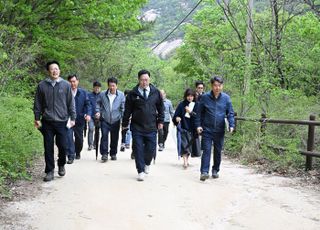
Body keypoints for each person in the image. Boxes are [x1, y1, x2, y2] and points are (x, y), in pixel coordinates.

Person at [34, 61, 76, 182]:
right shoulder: (42, 85)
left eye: (57, 69)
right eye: (52, 69)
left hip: (62, 121)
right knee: (48, 147)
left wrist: (73, 118)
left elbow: (71, 103)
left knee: (63, 146)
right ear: (48, 71)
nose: (55, 71)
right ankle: (49, 171)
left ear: (59, 71)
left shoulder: (66, 85)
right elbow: (37, 103)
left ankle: (61, 164)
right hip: (47, 121)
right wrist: (37, 118)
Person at [122, 69, 164, 181]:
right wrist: (125, 123)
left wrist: (160, 121)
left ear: (149, 79)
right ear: (138, 80)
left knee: (150, 149)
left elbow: (161, 108)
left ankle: (147, 163)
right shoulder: (132, 94)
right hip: (137, 127)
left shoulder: (156, 92)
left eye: (146, 80)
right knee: (138, 149)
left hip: (151, 126)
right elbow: (127, 110)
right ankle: (140, 171)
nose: (144, 82)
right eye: (142, 80)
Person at [195, 76, 235, 181]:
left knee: (217, 151)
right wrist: (198, 125)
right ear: (212, 86)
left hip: (220, 130)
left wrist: (231, 125)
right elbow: (199, 113)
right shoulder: (205, 97)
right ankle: (204, 172)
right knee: (207, 150)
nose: (217, 88)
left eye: (219, 85)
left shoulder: (226, 98)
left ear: (222, 86)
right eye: (215, 85)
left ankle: (215, 170)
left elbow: (230, 113)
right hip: (207, 129)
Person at [96, 77, 125, 162]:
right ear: (107, 85)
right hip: (105, 119)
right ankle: (104, 154)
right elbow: (98, 104)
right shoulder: (102, 94)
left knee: (114, 137)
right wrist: (98, 112)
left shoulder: (121, 95)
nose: (112, 87)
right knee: (104, 136)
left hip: (116, 120)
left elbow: (123, 108)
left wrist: (123, 119)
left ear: (116, 86)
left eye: (113, 86)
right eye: (110, 86)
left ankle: (113, 153)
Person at [66, 74, 92, 164]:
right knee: (68, 137)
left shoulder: (83, 93)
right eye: (70, 82)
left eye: (74, 81)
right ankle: (70, 155)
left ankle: (77, 151)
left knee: (79, 139)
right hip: (68, 119)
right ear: (68, 82)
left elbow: (88, 104)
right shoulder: (65, 92)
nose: (72, 83)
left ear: (77, 81)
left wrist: (88, 114)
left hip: (80, 119)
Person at [172, 89, 197, 169]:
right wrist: (177, 118)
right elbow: (175, 116)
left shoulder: (196, 105)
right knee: (184, 145)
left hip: (192, 129)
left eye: (191, 96)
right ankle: (185, 161)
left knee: (189, 146)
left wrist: (190, 112)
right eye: (188, 96)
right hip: (183, 128)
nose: (190, 98)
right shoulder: (181, 105)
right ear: (186, 96)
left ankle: (187, 159)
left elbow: (198, 117)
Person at [88, 81, 102, 151]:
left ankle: (95, 144)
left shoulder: (102, 95)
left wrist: (100, 113)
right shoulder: (89, 95)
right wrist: (88, 114)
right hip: (90, 116)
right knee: (91, 129)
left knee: (97, 130)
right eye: (95, 88)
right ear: (93, 88)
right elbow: (88, 105)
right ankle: (90, 144)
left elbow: (103, 106)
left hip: (99, 116)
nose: (97, 89)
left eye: (98, 88)